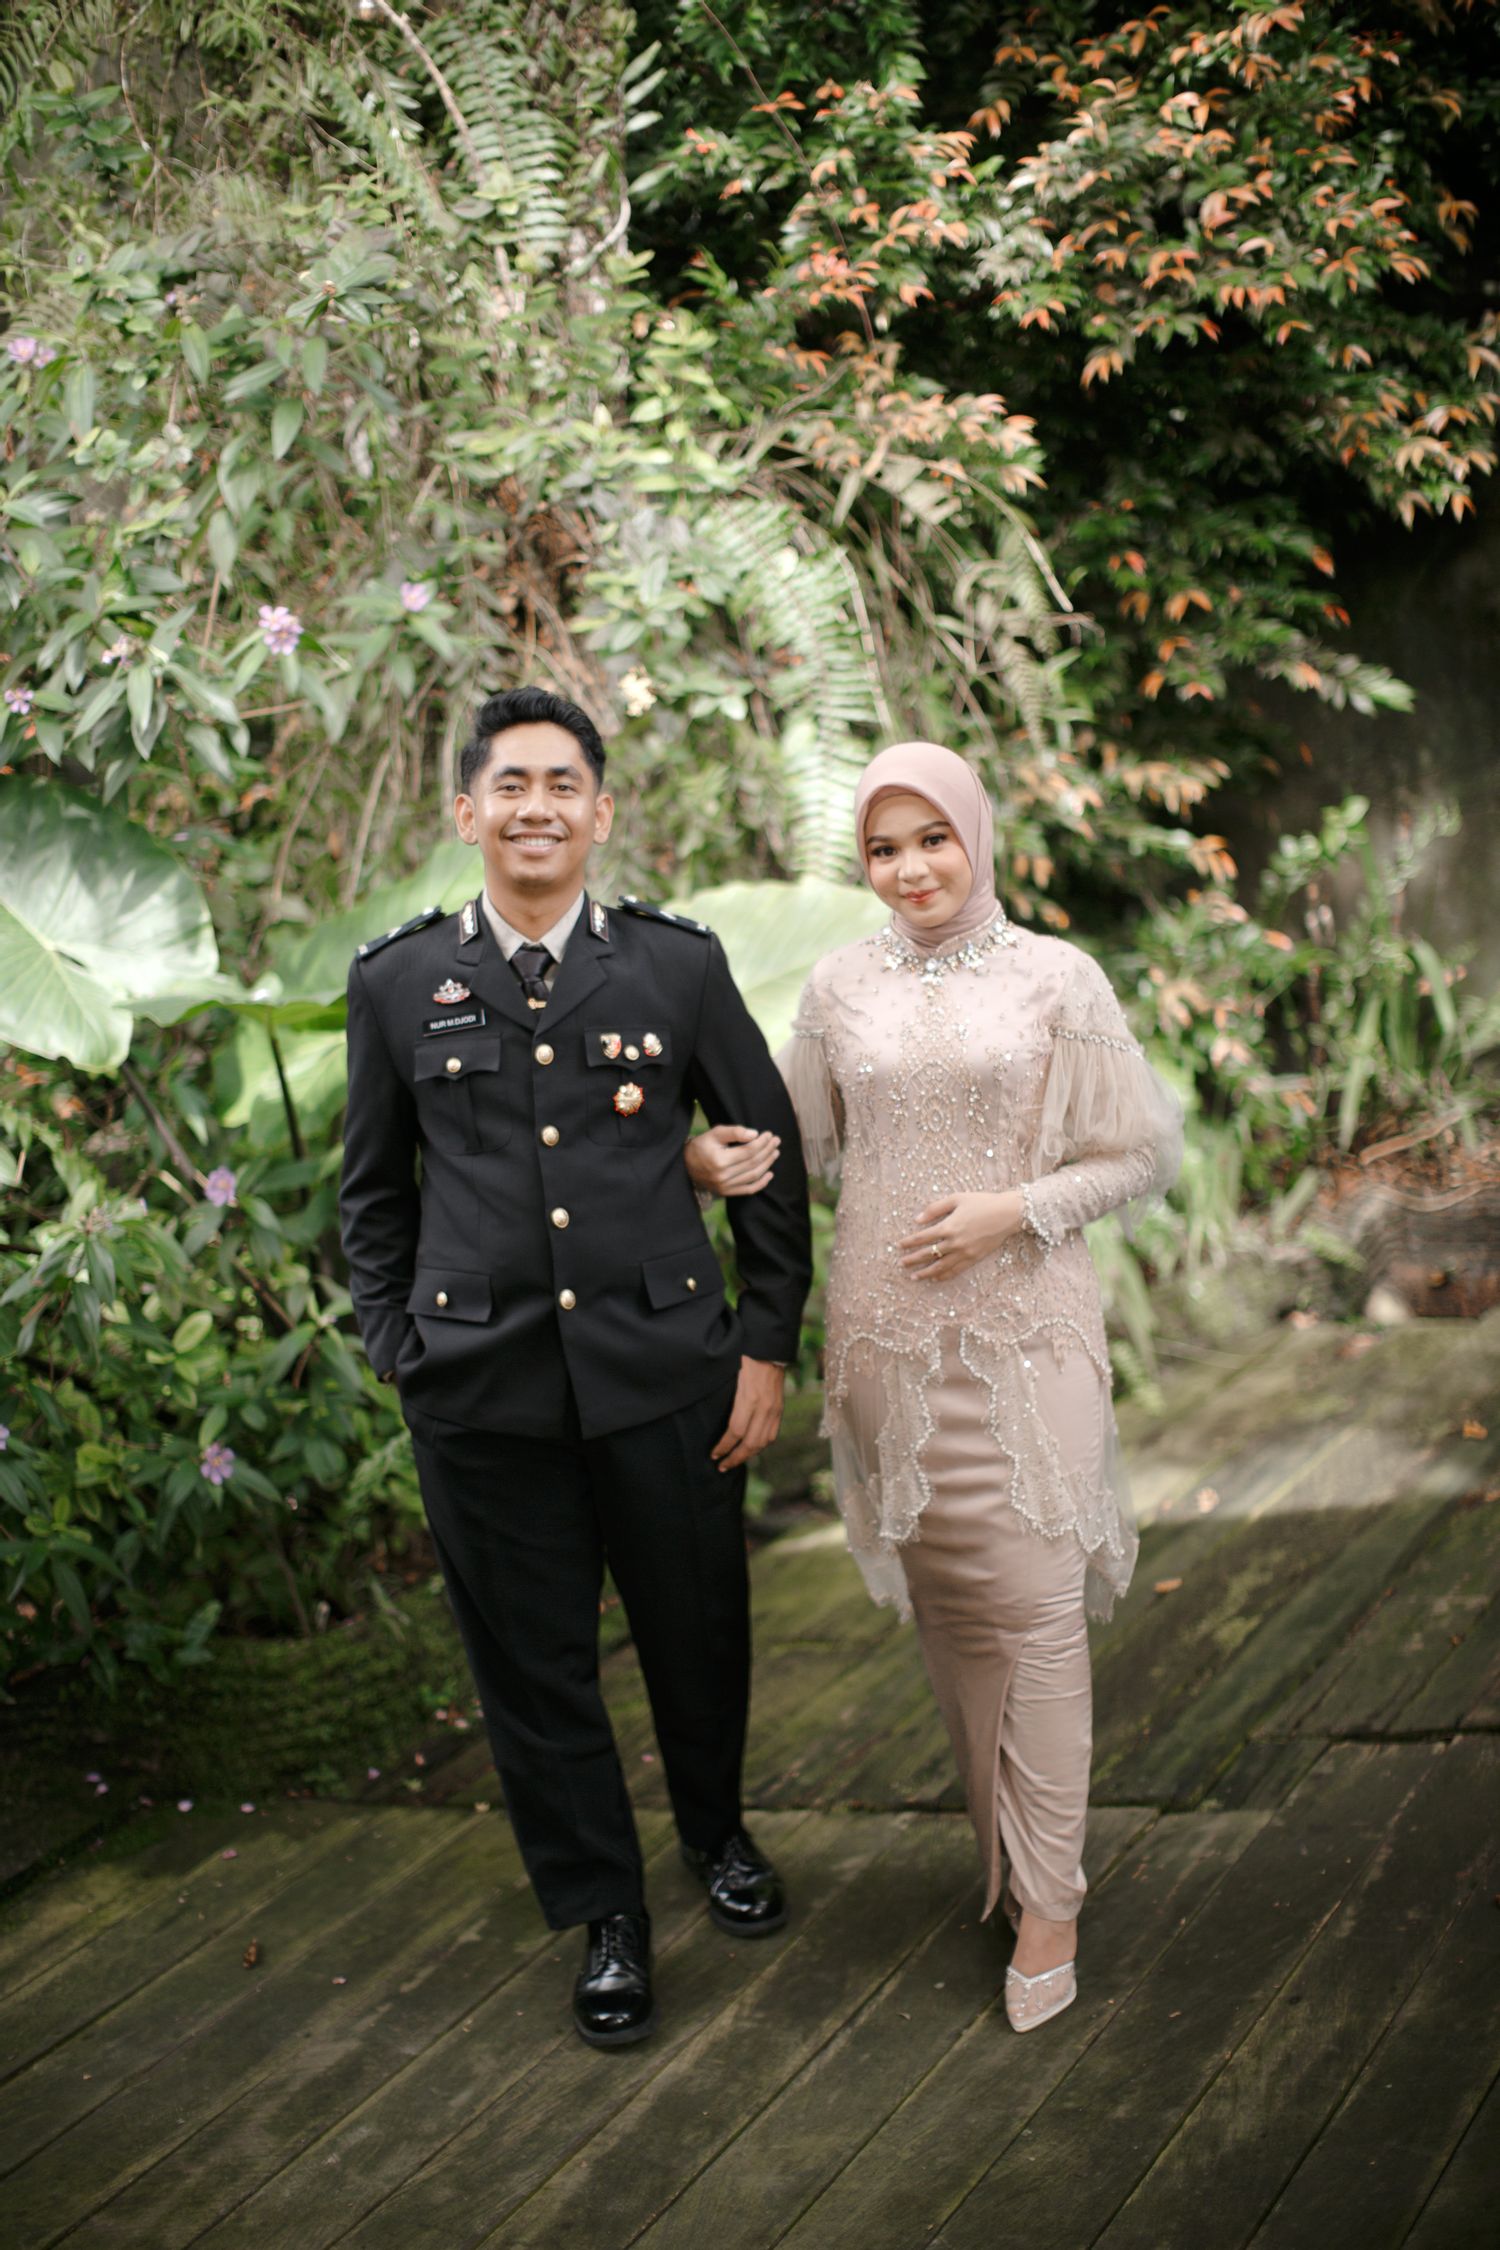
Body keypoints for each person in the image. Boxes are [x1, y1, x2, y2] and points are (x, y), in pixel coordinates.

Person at [339, 686, 812, 2049]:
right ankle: (606, 1911)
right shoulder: (397, 981)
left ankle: (715, 1831)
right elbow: (373, 1192)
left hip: (668, 1368)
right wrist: (400, 1350)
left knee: (696, 1627)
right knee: (536, 1670)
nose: (536, 806)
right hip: (482, 1388)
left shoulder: (673, 966)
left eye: (563, 785)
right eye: (512, 783)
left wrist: (766, 1345)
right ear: (467, 812)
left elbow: (766, 1156)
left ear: (601, 814)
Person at [687, 741, 1180, 2033]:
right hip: (887, 1347)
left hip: (1024, 1338)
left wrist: (1015, 1207)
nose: (911, 868)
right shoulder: (840, 985)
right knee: (957, 1617)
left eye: (932, 839)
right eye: (884, 847)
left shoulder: (1056, 977)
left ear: (976, 836)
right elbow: (792, 1143)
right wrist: (696, 1159)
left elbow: (1139, 1152)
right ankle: (1004, 1862)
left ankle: (1055, 1898)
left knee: (1040, 1613)